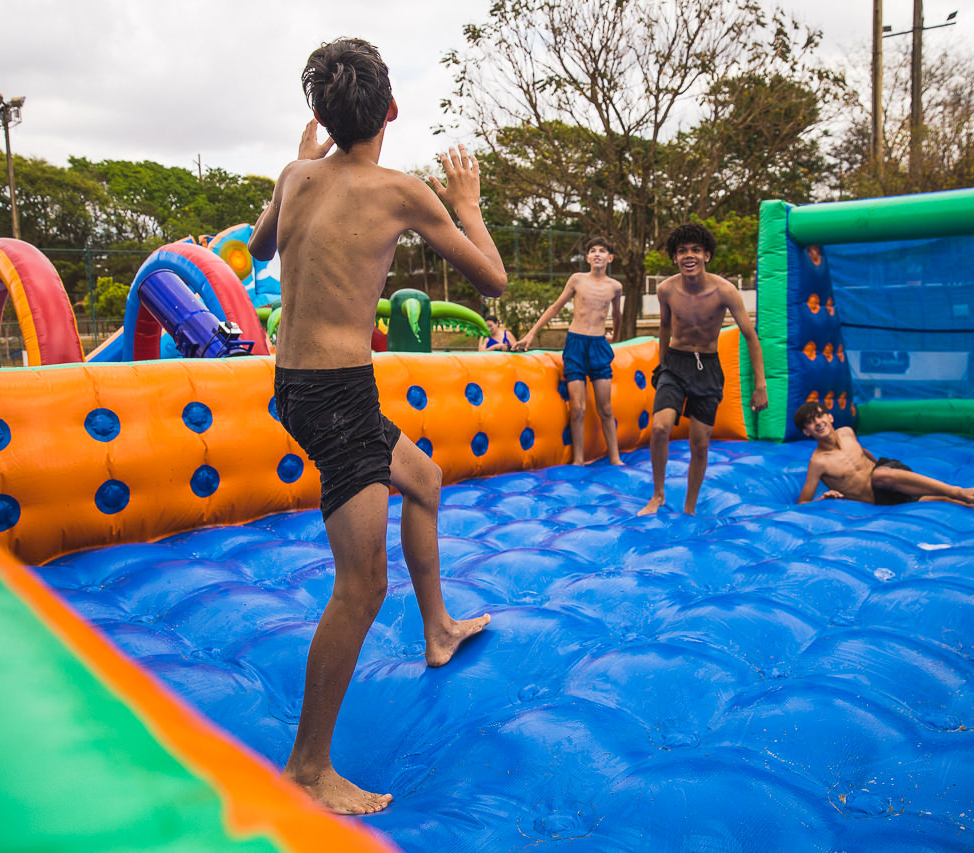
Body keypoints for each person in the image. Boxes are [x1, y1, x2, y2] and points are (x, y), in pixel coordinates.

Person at [248, 38, 507, 816]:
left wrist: (297, 165)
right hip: (337, 394)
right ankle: (307, 768)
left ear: (322, 118)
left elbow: (258, 246)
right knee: (361, 585)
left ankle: (439, 629)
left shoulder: (295, 175)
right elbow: (493, 280)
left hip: (297, 386)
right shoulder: (402, 191)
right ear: (391, 109)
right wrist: (467, 206)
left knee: (423, 479)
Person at [638, 223, 768, 516]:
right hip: (675, 363)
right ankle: (657, 495)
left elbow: (750, 336)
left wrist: (761, 385)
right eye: (682, 251)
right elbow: (664, 326)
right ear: (675, 257)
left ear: (706, 255)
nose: (689, 256)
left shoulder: (725, 291)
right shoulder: (666, 289)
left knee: (699, 444)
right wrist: (662, 366)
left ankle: (689, 508)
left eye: (695, 250)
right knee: (659, 428)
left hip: (707, 367)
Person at [793, 401, 974, 508]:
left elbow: (865, 455)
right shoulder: (818, 462)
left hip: (888, 475)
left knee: (880, 474)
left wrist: (879, 466)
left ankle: (958, 490)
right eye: (810, 423)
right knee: (952, 501)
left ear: (830, 416)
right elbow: (803, 502)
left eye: (820, 416)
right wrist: (825, 496)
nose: (818, 423)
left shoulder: (846, 432)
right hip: (881, 496)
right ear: (806, 432)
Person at [515, 237, 624, 465]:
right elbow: (555, 307)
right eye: (592, 251)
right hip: (576, 344)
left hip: (598, 346)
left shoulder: (615, 287)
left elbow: (617, 315)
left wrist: (615, 336)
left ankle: (615, 458)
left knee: (605, 408)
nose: (597, 254)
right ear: (587, 257)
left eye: (602, 251)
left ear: (610, 258)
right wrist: (531, 333)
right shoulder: (577, 280)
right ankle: (578, 459)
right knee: (577, 408)